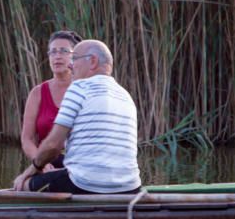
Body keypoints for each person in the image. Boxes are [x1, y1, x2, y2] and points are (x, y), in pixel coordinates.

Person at [13, 39, 141, 194]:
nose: (70, 65)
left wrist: (29, 171)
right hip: (131, 187)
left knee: (24, 184)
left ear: (92, 61)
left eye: (74, 59)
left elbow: (53, 145)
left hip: (85, 184)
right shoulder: (125, 95)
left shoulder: (79, 88)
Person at [20, 30, 82, 170]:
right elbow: (27, 139)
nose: (57, 56)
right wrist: (40, 163)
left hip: (79, 165)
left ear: (75, 56)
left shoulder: (84, 89)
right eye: (53, 52)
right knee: (22, 185)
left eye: (64, 51)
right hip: (45, 163)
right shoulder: (37, 93)